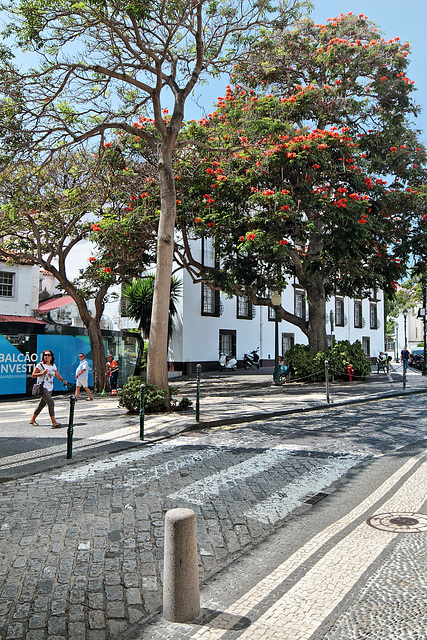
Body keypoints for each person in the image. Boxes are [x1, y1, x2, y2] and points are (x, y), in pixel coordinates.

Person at [29, 350, 67, 427]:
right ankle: (53, 422)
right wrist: (42, 373)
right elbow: (33, 375)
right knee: (51, 402)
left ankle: (32, 419)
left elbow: (57, 375)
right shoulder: (40, 365)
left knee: (42, 404)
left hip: (50, 387)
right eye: (45, 355)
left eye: (48, 355)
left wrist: (63, 380)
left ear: (51, 357)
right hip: (43, 387)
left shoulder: (53, 366)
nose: (47, 356)